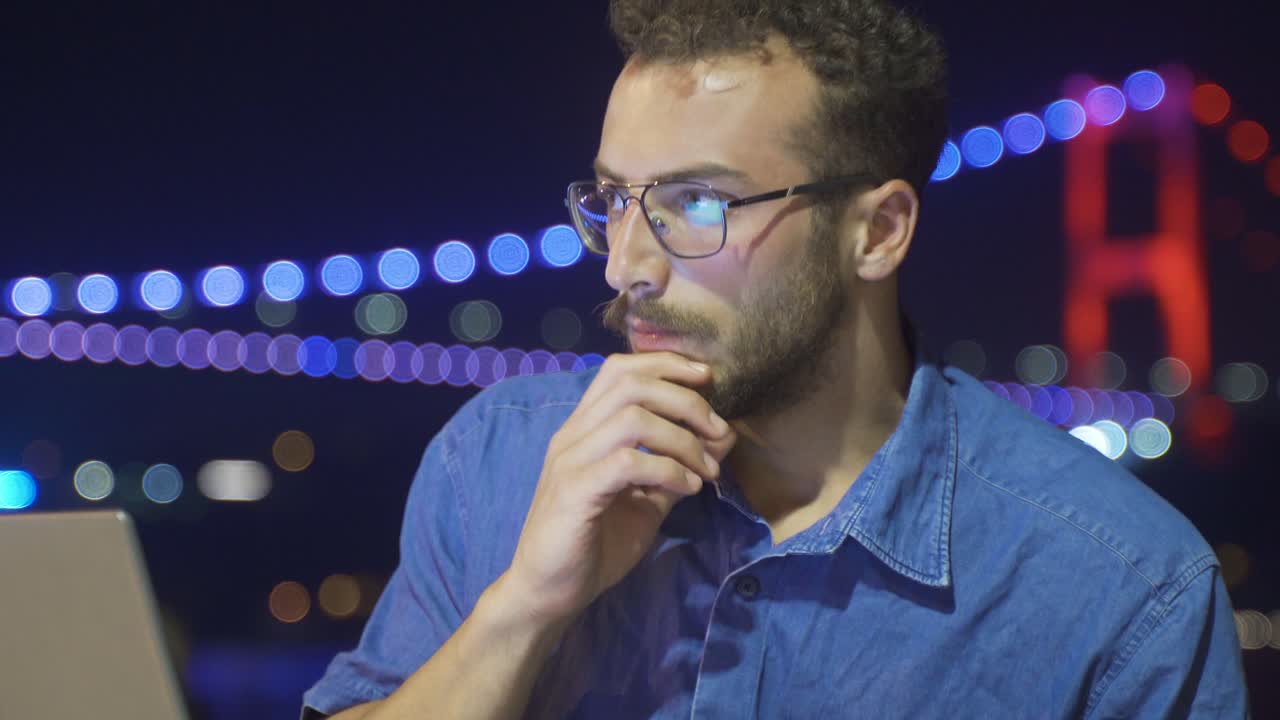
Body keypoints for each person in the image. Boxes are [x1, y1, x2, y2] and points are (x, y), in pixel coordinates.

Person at [303, 1, 1250, 717]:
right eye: (613, 201)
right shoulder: (496, 459)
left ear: (878, 231)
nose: (626, 266)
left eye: (696, 205)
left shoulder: (1122, 591)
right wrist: (523, 610)